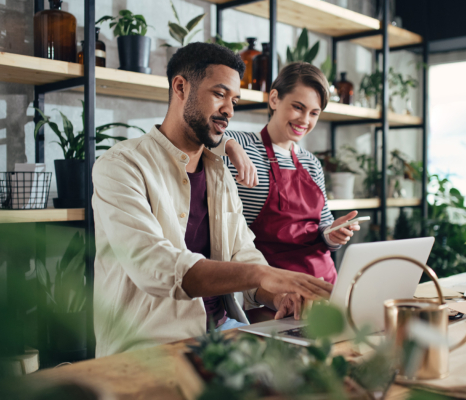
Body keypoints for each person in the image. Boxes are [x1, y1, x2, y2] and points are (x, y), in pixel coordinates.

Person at [91, 44, 333, 358]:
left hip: (222, 337)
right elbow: (154, 266)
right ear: (180, 87)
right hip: (149, 351)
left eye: (234, 100)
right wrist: (265, 275)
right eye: (220, 94)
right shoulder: (122, 166)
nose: (230, 111)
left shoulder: (218, 172)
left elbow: (243, 253)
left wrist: (278, 295)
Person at [221, 62, 360, 285]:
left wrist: (333, 234)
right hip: (271, 286)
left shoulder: (311, 162)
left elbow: (323, 229)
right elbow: (197, 137)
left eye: (314, 113)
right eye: (298, 107)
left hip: (324, 281)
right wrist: (229, 144)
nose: (305, 120)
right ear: (274, 99)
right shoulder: (241, 145)